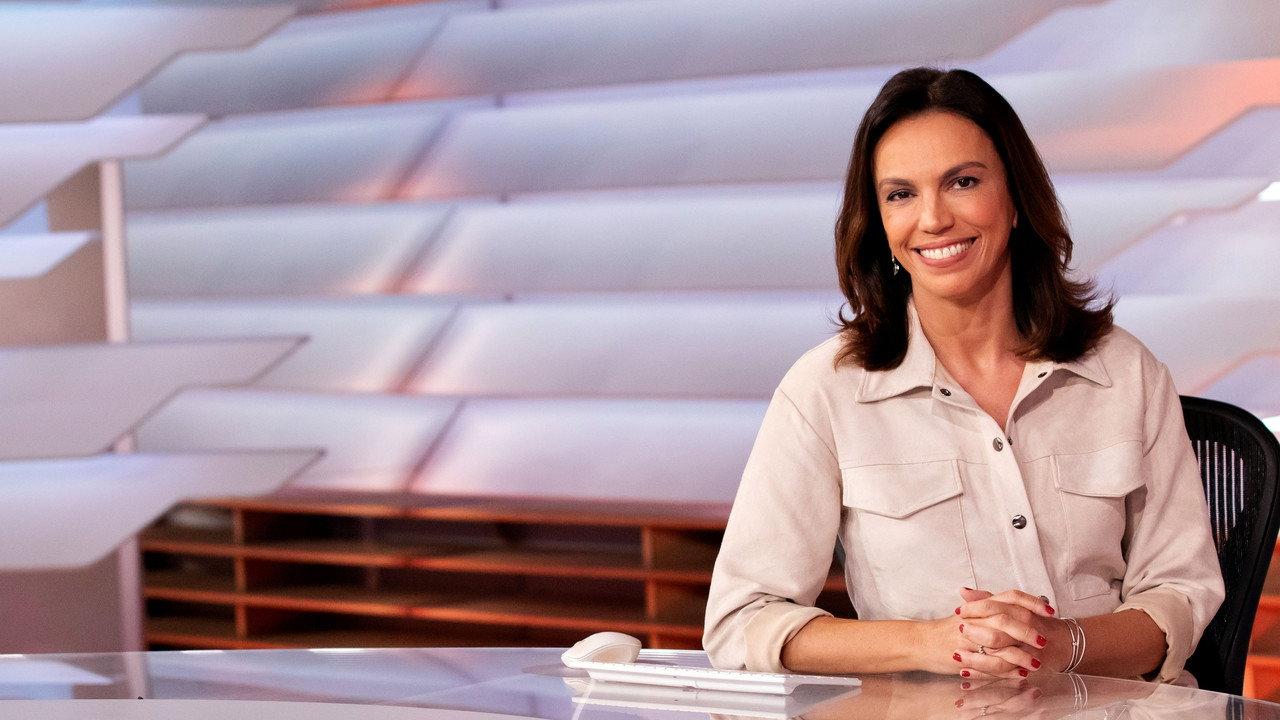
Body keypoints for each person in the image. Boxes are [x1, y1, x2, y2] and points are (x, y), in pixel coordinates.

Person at [702, 67, 1224, 684]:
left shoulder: (1126, 373)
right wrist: (931, 643)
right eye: (900, 194)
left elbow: (1179, 594)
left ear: (1016, 200)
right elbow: (743, 619)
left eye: (963, 182)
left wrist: (1063, 645)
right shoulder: (826, 389)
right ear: (878, 221)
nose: (932, 219)